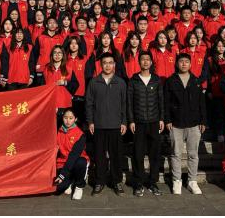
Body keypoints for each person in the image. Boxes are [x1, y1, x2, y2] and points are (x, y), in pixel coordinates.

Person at [164, 53, 207, 195]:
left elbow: (202, 102)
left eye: (186, 61)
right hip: (175, 123)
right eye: (181, 61)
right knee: (176, 154)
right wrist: (167, 119)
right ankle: (176, 181)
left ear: (190, 64)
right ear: (177, 64)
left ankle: (192, 181)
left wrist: (203, 121)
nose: (184, 64)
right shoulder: (170, 81)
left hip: (194, 123)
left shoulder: (196, 81)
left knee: (193, 154)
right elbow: (166, 102)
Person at [86, 53, 127, 196]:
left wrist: (124, 121)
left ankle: (117, 181)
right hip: (99, 125)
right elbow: (89, 104)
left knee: (116, 156)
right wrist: (90, 121)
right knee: (99, 156)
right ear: (101, 65)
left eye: (110, 62)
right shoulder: (94, 82)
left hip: (116, 125)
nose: (108, 65)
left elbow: (124, 104)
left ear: (114, 65)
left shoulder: (120, 82)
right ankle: (100, 181)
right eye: (105, 63)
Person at [127, 51, 164, 197]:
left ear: (151, 62)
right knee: (138, 154)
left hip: (154, 121)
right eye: (143, 59)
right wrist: (131, 120)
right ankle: (138, 183)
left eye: (148, 59)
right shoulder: (133, 80)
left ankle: (153, 182)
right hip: (139, 122)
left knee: (155, 154)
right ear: (139, 62)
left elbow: (161, 100)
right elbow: (129, 102)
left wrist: (161, 118)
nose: (145, 62)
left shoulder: (156, 80)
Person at [55, 109, 89, 200]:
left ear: (75, 119)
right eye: (65, 118)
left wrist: (62, 175)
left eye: (71, 118)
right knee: (58, 188)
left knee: (81, 162)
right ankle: (71, 181)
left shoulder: (80, 134)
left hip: (76, 161)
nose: (68, 121)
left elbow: (74, 156)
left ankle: (79, 186)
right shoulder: (58, 131)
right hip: (63, 162)